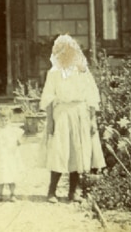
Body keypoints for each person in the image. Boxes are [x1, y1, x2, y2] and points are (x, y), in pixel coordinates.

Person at [39, 34, 106, 204]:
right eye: (63, 51)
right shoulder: (54, 73)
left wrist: (91, 120)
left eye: (70, 51)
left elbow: (91, 97)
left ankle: (73, 192)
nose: (67, 54)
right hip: (61, 114)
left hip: (80, 113)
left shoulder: (82, 72)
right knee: (60, 151)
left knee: (77, 151)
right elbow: (48, 98)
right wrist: (51, 122)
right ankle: (51, 191)